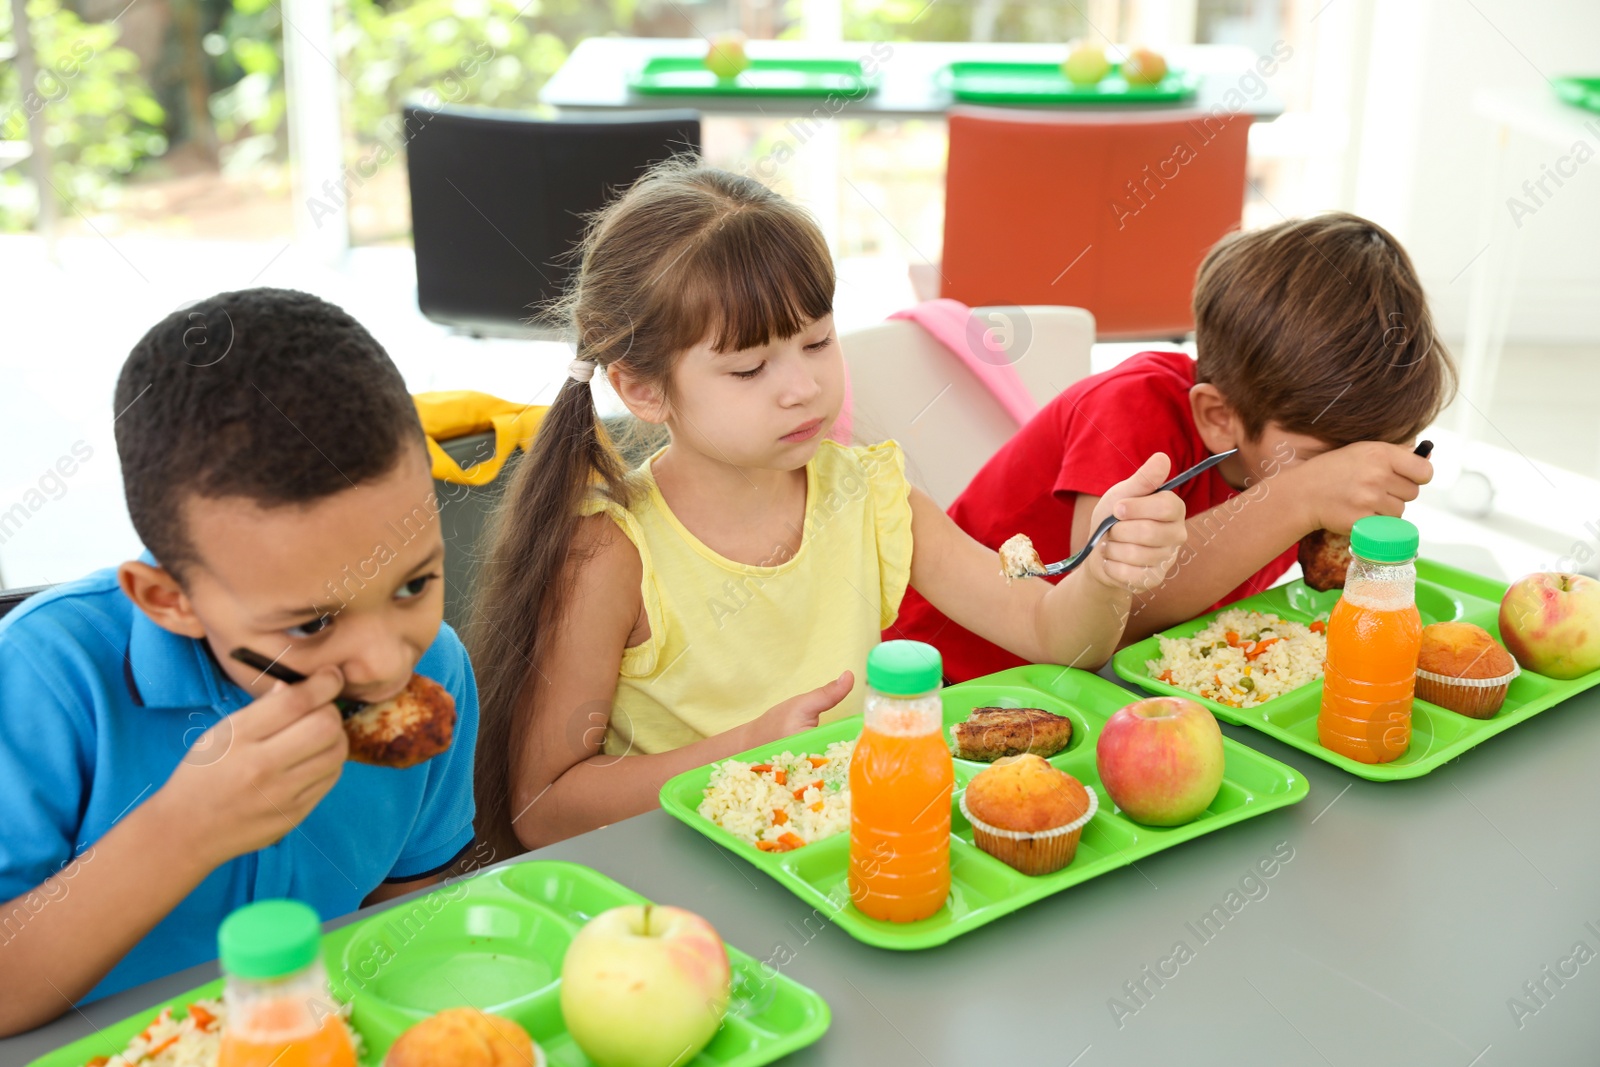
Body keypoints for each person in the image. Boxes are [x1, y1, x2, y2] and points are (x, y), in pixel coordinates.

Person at [468, 161, 1188, 856]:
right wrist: (746, 749)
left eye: (817, 342)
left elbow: (1054, 634)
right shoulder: (613, 550)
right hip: (691, 884)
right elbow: (543, 809)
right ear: (645, 391)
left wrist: (1106, 570)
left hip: (853, 862)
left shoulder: (869, 494)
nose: (803, 387)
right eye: (750, 368)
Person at [0, 289, 479, 1034]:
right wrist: (185, 830)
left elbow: (408, 908)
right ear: (168, 599)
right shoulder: (44, 682)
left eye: (414, 583)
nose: (387, 664)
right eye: (314, 622)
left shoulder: (438, 667)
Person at [893, 212, 1455, 681]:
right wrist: (1297, 498)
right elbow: (1113, 613)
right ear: (1218, 417)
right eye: (1324, 464)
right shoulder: (1128, 410)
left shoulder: (1294, 448)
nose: (1345, 481)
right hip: (957, 676)